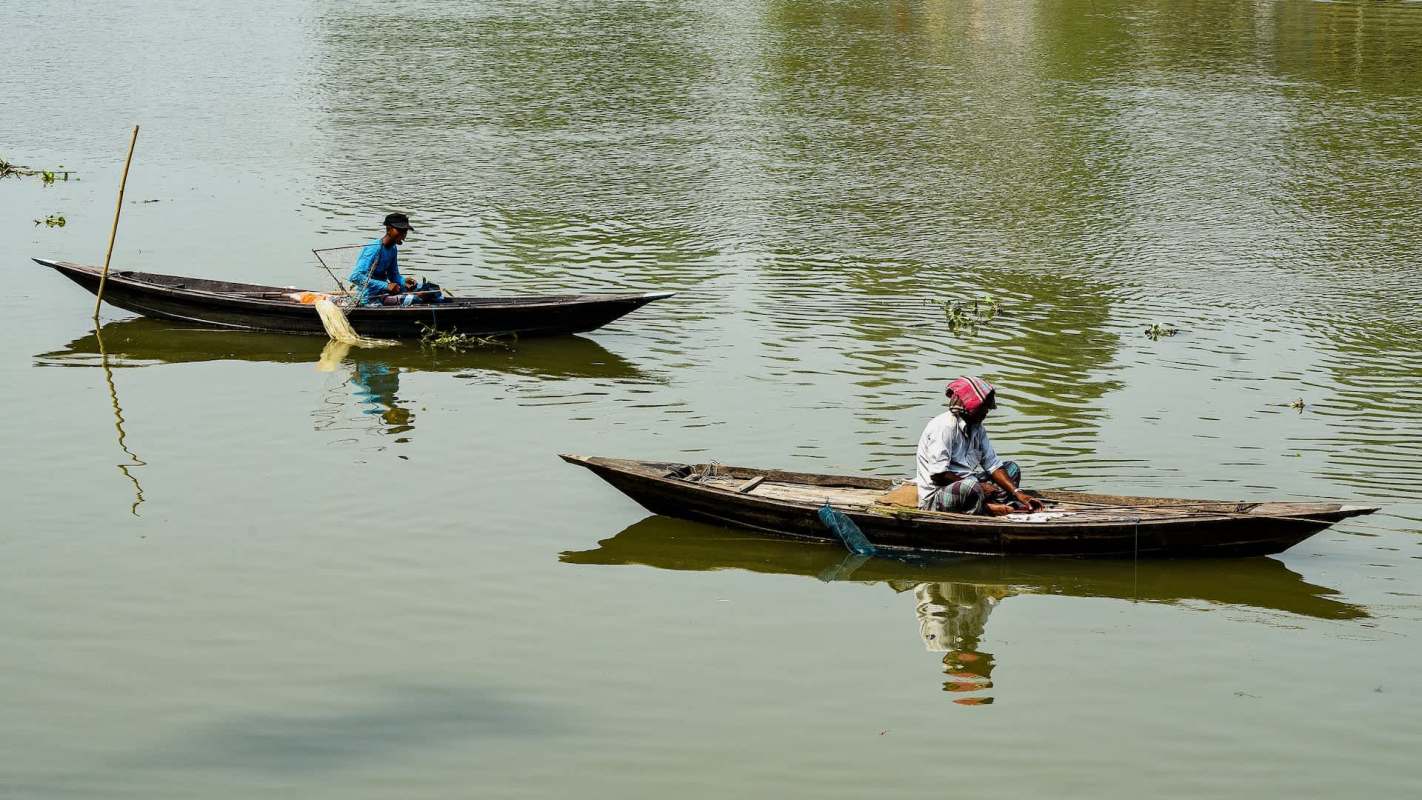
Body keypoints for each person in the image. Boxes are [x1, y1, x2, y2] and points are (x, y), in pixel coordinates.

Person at [915, 376, 1044, 516]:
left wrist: (1017, 492)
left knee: (1011, 469)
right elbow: (938, 475)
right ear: (969, 406)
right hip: (938, 497)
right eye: (983, 407)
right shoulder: (943, 427)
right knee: (970, 487)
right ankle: (987, 508)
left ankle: (984, 503)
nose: (986, 412)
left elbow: (993, 465)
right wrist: (980, 487)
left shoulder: (978, 429)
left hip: (971, 485)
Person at [347, 212, 443, 306]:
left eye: (405, 231)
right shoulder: (374, 249)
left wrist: (403, 281)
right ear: (389, 229)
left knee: (431, 290)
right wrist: (386, 285)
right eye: (400, 231)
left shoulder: (393, 248)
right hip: (370, 296)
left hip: (385, 291)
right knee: (415, 299)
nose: (403, 235)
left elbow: (393, 275)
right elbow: (355, 277)